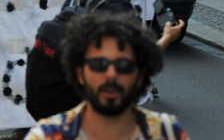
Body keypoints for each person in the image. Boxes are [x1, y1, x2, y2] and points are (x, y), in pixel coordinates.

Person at [25, 11, 188, 140]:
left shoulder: (167, 132)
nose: (111, 74)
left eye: (123, 65)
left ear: (140, 75)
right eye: (99, 65)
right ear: (80, 74)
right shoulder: (46, 136)